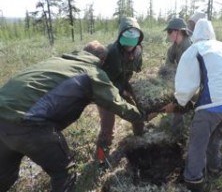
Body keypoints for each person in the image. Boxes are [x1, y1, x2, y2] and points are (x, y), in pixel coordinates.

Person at [0, 41, 146, 192]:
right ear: (102, 59)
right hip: (29, 124)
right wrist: (143, 115)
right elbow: (118, 105)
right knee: (63, 172)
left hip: (2, 118)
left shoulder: (58, 60)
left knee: (4, 175)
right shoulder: (92, 72)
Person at [162, 19, 222, 192]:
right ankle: (214, 167)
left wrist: (178, 103)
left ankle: (193, 180)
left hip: (213, 104)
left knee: (197, 142)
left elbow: (187, 86)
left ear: (194, 33)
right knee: (216, 134)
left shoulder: (195, 50)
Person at [96, 17, 145, 155]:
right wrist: (121, 92)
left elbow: (134, 70)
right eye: (127, 44)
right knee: (107, 128)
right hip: (104, 90)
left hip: (122, 83)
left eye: (133, 44)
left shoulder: (138, 51)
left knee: (137, 113)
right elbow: (104, 80)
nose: (130, 47)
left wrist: (127, 90)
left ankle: (140, 138)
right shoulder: (111, 52)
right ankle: (100, 157)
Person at [162, 17, 193, 136]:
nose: (168, 34)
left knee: (180, 103)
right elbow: (168, 63)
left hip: (191, 81)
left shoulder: (188, 47)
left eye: (169, 31)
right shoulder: (175, 46)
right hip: (181, 78)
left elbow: (189, 73)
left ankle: (177, 134)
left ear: (178, 32)